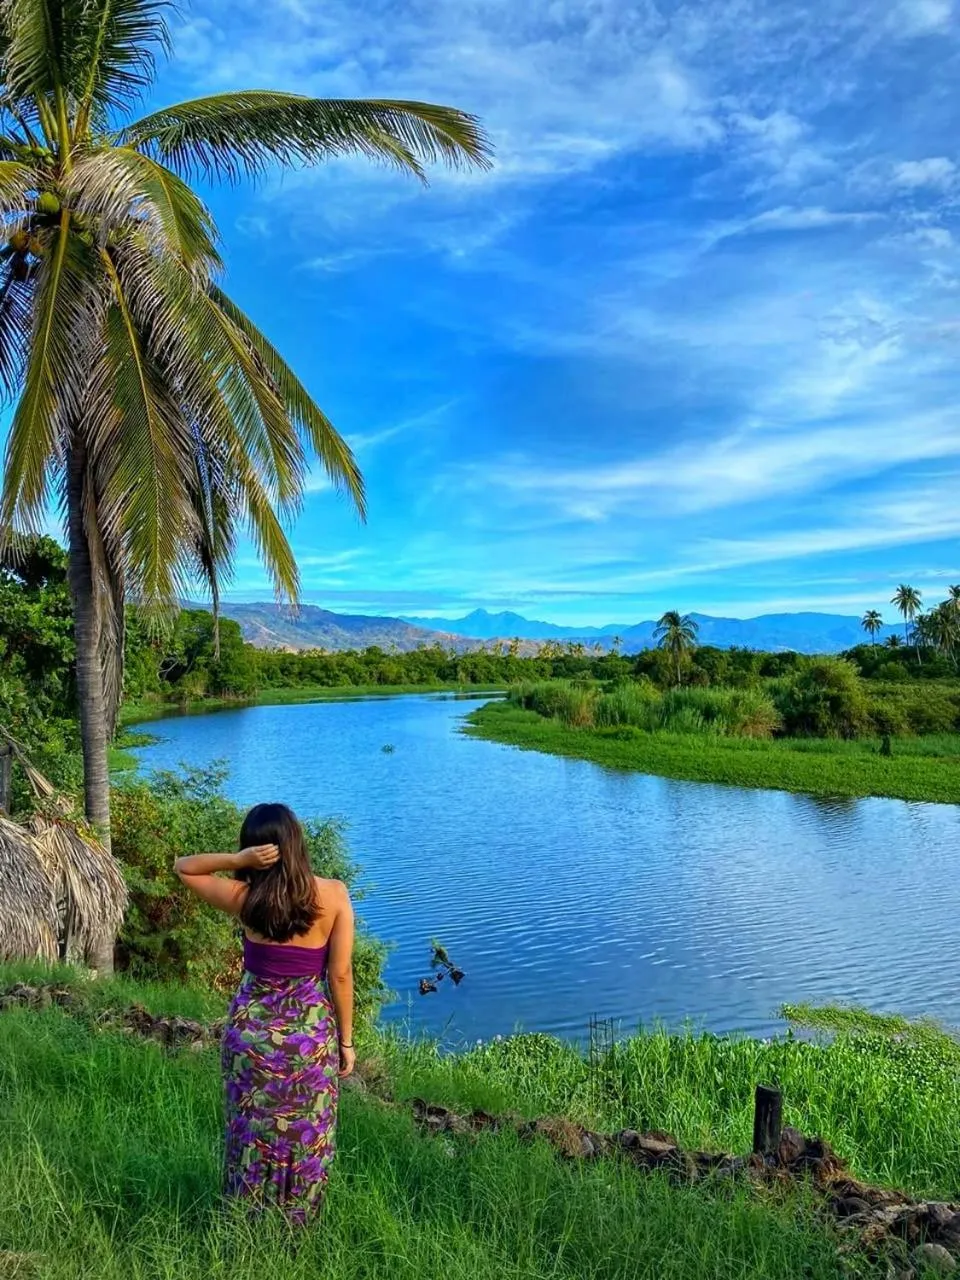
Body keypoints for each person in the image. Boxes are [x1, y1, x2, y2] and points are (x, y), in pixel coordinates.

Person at [175, 802, 354, 1224]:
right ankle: (297, 1221)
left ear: (256, 849)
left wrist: (237, 862)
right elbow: (341, 975)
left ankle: (247, 1217)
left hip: (249, 1036)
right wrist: (346, 1041)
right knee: (305, 1132)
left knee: (250, 1128)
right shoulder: (333, 895)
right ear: (295, 843)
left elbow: (185, 868)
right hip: (308, 1039)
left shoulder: (245, 897)